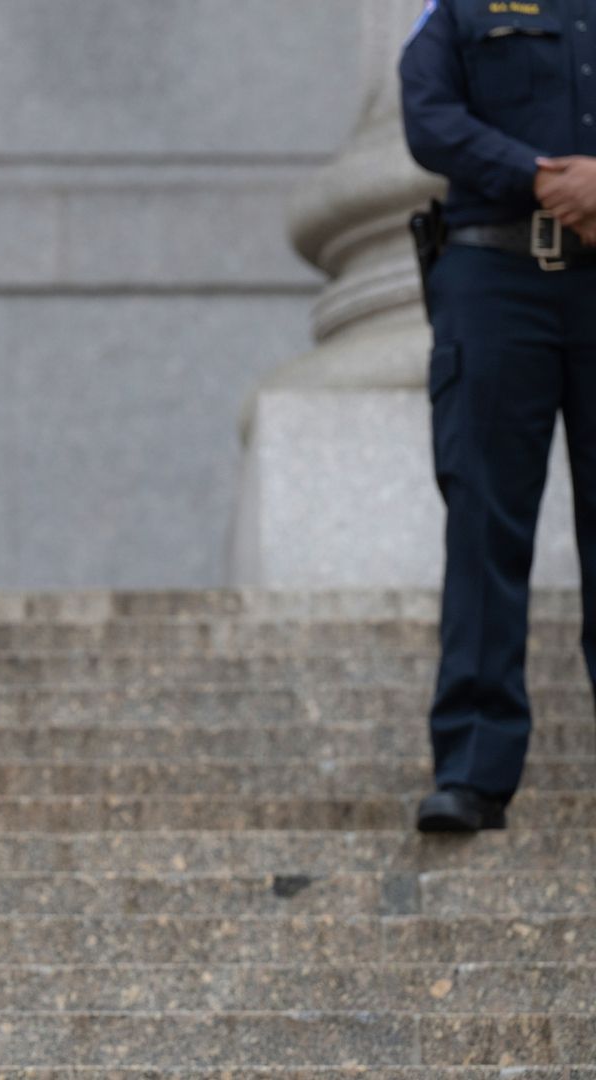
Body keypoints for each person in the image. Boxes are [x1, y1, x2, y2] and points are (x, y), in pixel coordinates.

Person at [400, 0, 596, 832]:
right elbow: (428, 114)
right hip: (494, 281)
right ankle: (475, 770)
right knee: (484, 522)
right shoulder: (463, 8)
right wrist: (537, 174)